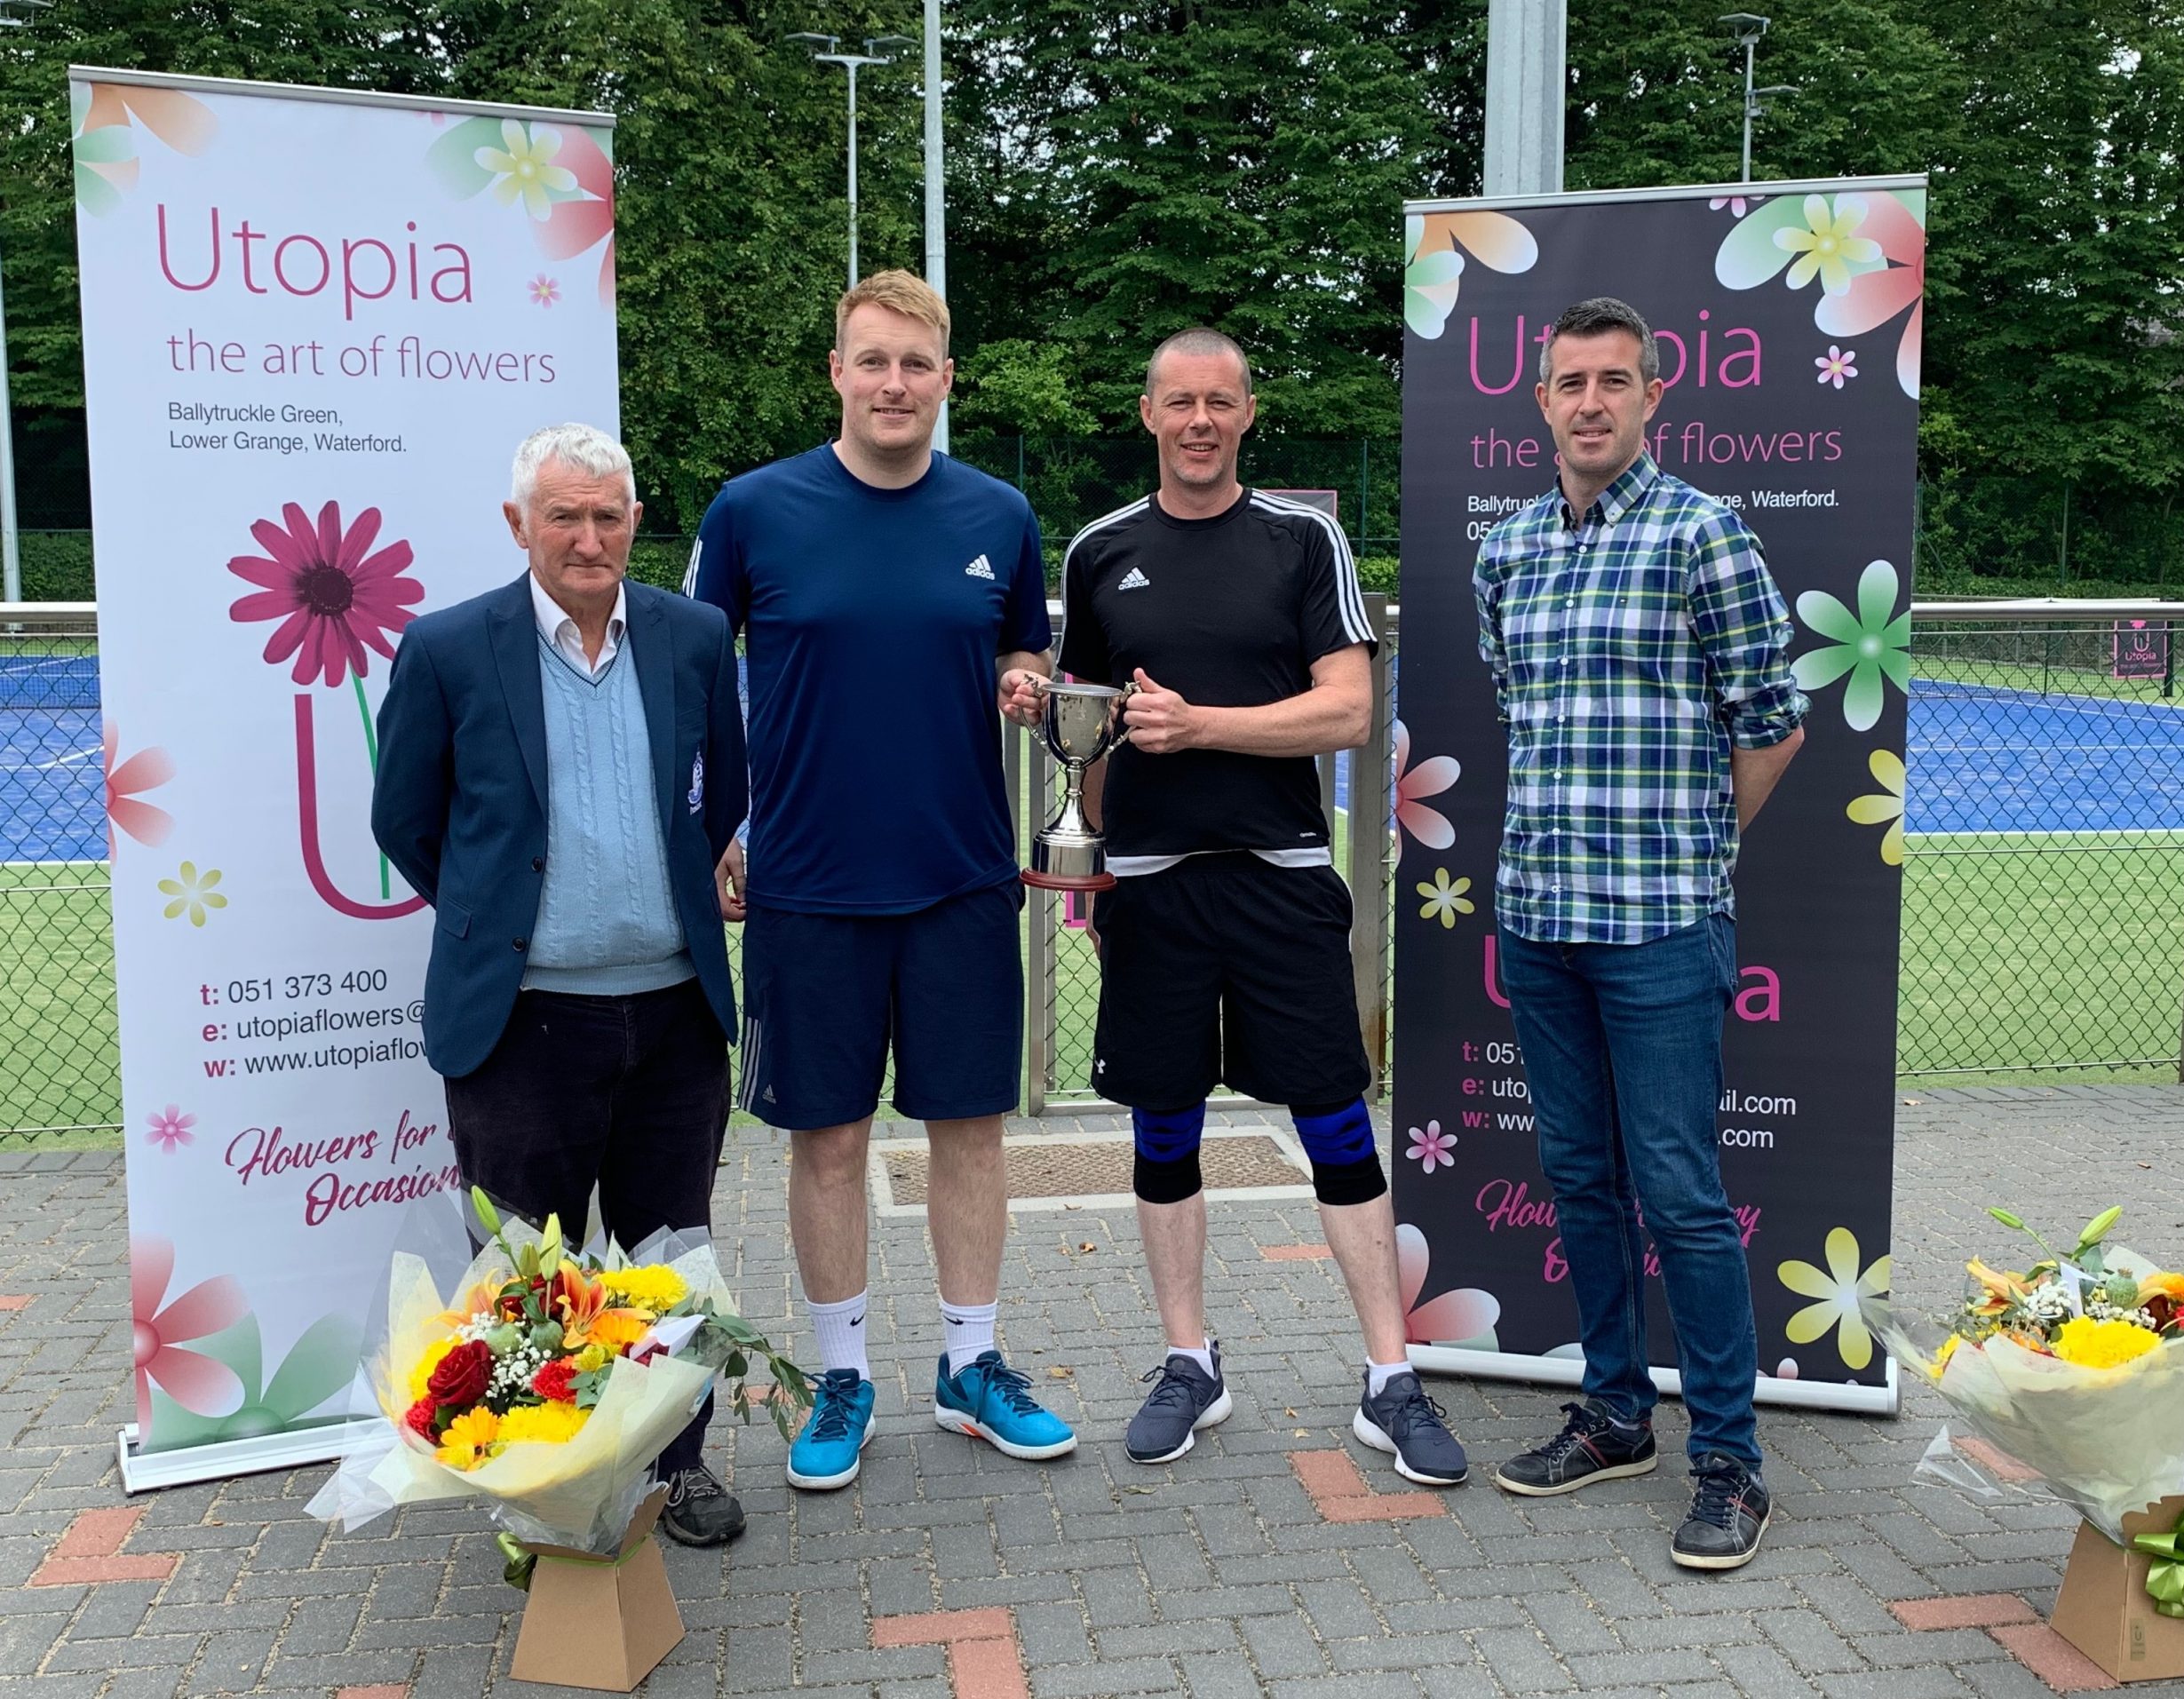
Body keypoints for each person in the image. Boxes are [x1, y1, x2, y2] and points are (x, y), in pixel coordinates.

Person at [1055, 327, 1467, 1486]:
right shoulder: (1098, 550)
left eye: (1220, 402)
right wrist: (1084, 845)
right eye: (1179, 401)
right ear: (1148, 413)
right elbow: (1089, 725)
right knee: (1163, 1127)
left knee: (1334, 1122)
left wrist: (1204, 727)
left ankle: (1390, 1376)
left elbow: (1348, 710)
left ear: (1247, 413)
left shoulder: (1302, 539)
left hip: (1280, 876)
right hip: (1150, 888)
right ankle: (1190, 1362)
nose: (1199, 421)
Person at [685, 269, 1075, 1491]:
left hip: (962, 875)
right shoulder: (752, 510)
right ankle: (840, 1374)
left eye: (916, 363)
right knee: (829, 1140)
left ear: (946, 378)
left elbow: (1024, 645)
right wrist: (720, 825)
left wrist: (1024, 678)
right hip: (808, 883)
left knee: (970, 1132)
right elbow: (696, 679)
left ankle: (971, 1362)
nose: (894, 383)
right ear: (837, 373)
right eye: (873, 360)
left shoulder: (1000, 512)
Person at [371, 423, 751, 1547]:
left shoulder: (693, 635)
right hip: (520, 1022)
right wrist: (506, 922)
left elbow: (722, 790)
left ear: (635, 521)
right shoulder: (448, 647)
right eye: (563, 516)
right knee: (524, 1272)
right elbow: (405, 817)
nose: (588, 538)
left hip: (674, 1014)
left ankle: (676, 1465)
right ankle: (538, 1483)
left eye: (607, 515)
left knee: (668, 1262)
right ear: (518, 524)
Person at [1473, 297, 1807, 1571]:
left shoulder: (1703, 533)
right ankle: (1615, 1412)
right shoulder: (1507, 550)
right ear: (1541, 400)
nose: (1591, 402)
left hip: (1662, 922)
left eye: (1614, 380)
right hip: (1540, 918)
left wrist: (1700, 849)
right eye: (1571, 382)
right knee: (1578, 1177)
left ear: (1654, 396)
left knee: (1679, 1190)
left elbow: (1771, 720)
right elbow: (1519, 710)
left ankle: (1730, 1460)